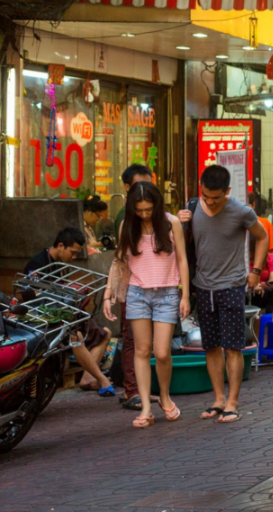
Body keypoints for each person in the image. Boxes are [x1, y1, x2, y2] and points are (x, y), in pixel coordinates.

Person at [178, 165, 268, 424]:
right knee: (211, 347)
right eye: (205, 196)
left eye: (216, 198)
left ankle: (232, 402)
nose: (210, 201)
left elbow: (262, 238)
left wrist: (256, 271)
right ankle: (218, 399)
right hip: (203, 287)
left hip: (231, 286)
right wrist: (179, 221)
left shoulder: (241, 211)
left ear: (227, 191)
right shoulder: (193, 208)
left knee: (232, 347)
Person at [103, 182, 189, 428]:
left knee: (162, 352)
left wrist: (184, 295)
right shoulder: (126, 225)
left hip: (168, 293)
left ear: (157, 204)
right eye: (139, 210)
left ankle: (164, 396)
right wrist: (109, 294)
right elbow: (119, 262)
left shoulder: (171, 222)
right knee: (141, 351)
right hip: (137, 293)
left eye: (148, 209)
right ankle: (146, 408)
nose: (144, 214)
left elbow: (182, 260)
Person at [21, 228, 115, 397]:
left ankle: (88, 378)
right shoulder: (38, 263)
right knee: (75, 337)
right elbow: (30, 296)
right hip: (46, 320)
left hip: (64, 315)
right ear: (61, 246)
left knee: (105, 333)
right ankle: (102, 379)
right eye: (72, 253)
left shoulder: (60, 265)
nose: (73, 257)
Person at [115, 163, 155, 411]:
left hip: (153, 286)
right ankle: (132, 391)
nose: (146, 191)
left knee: (144, 342)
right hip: (132, 286)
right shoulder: (126, 216)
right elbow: (120, 260)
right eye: (141, 185)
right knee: (132, 339)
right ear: (128, 187)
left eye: (149, 185)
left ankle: (138, 388)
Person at [248, 192, 273, 264]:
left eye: (246, 206)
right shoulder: (231, 225)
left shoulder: (265, 223)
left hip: (263, 271)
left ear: (253, 205)